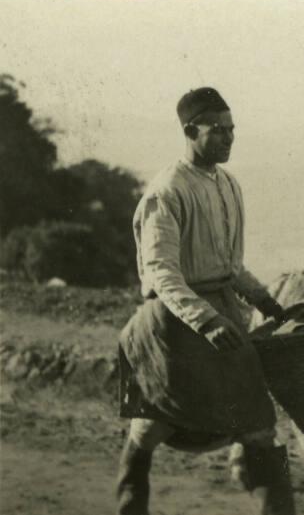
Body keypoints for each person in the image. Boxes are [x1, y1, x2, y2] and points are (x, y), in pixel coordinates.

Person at [116, 87, 294, 515]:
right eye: (218, 131)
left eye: (232, 130)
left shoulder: (228, 185)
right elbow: (162, 271)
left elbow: (230, 264)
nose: (229, 138)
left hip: (226, 317)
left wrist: (262, 297)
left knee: (258, 428)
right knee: (150, 429)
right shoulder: (167, 191)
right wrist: (207, 321)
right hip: (175, 325)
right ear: (190, 131)